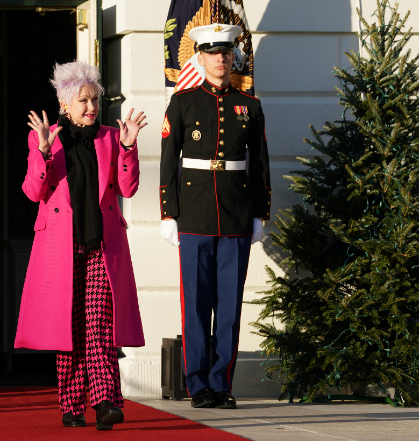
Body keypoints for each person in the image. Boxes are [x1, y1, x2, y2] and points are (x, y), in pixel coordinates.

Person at [14, 61, 145, 430]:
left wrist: (129, 146)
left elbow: (128, 188)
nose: (90, 107)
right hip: (60, 247)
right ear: (65, 104)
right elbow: (33, 191)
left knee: (99, 325)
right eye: (83, 101)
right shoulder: (47, 138)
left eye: (94, 100)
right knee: (67, 327)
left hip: (101, 246)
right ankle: (71, 405)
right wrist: (42, 151)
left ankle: (105, 403)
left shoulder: (108, 137)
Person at [159, 23, 271, 409]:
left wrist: (260, 213)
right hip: (192, 215)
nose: (220, 59)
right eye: (212, 53)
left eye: (225, 53)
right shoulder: (183, 102)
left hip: (237, 214)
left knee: (229, 306)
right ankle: (197, 383)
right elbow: (168, 161)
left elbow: (259, 165)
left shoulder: (250, 106)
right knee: (195, 303)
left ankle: (221, 383)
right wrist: (167, 213)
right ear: (200, 57)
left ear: (233, 57)